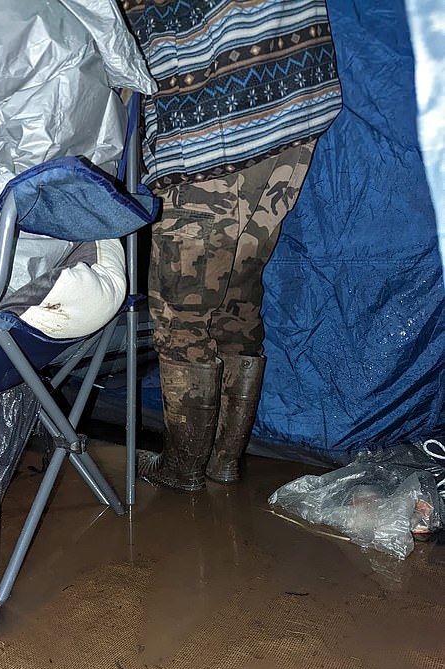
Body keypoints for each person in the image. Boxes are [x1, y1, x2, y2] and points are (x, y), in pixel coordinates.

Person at [124, 0, 343, 491]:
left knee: (182, 308)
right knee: (237, 289)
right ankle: (221, 460)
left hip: (215, 110)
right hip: (291, 89)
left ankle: (184, 467)